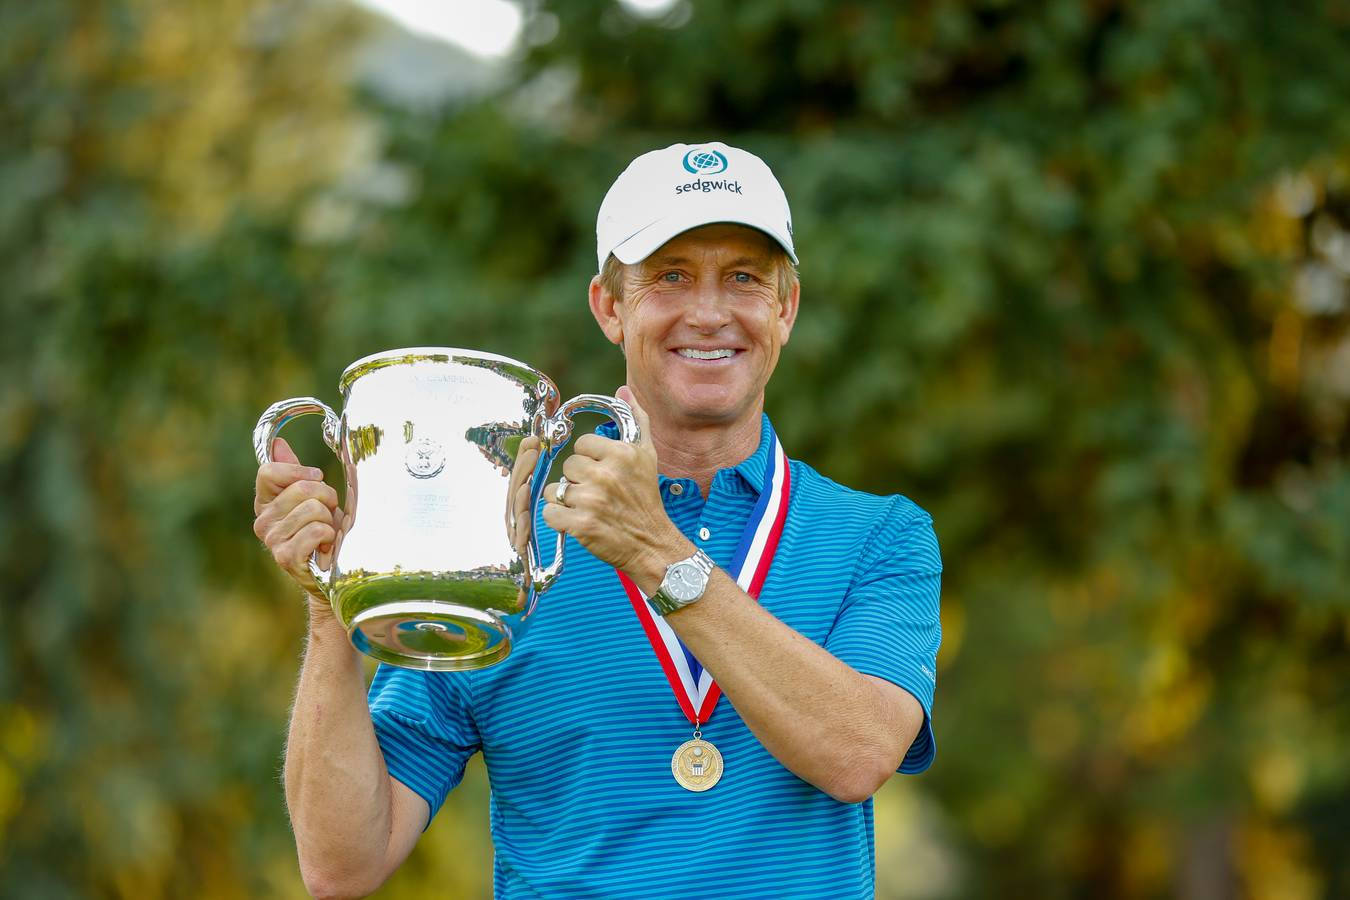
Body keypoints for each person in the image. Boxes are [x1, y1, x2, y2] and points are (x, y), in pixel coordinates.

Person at [252, 141, 942, 899]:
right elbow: (343, 865)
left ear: (786, 308)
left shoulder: (882, 536)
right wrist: (331, 603)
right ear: (610, 307)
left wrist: (657, 553)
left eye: (743, 277)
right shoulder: (506, 544)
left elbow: (858, 753)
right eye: (670, 277)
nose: (709, 312)